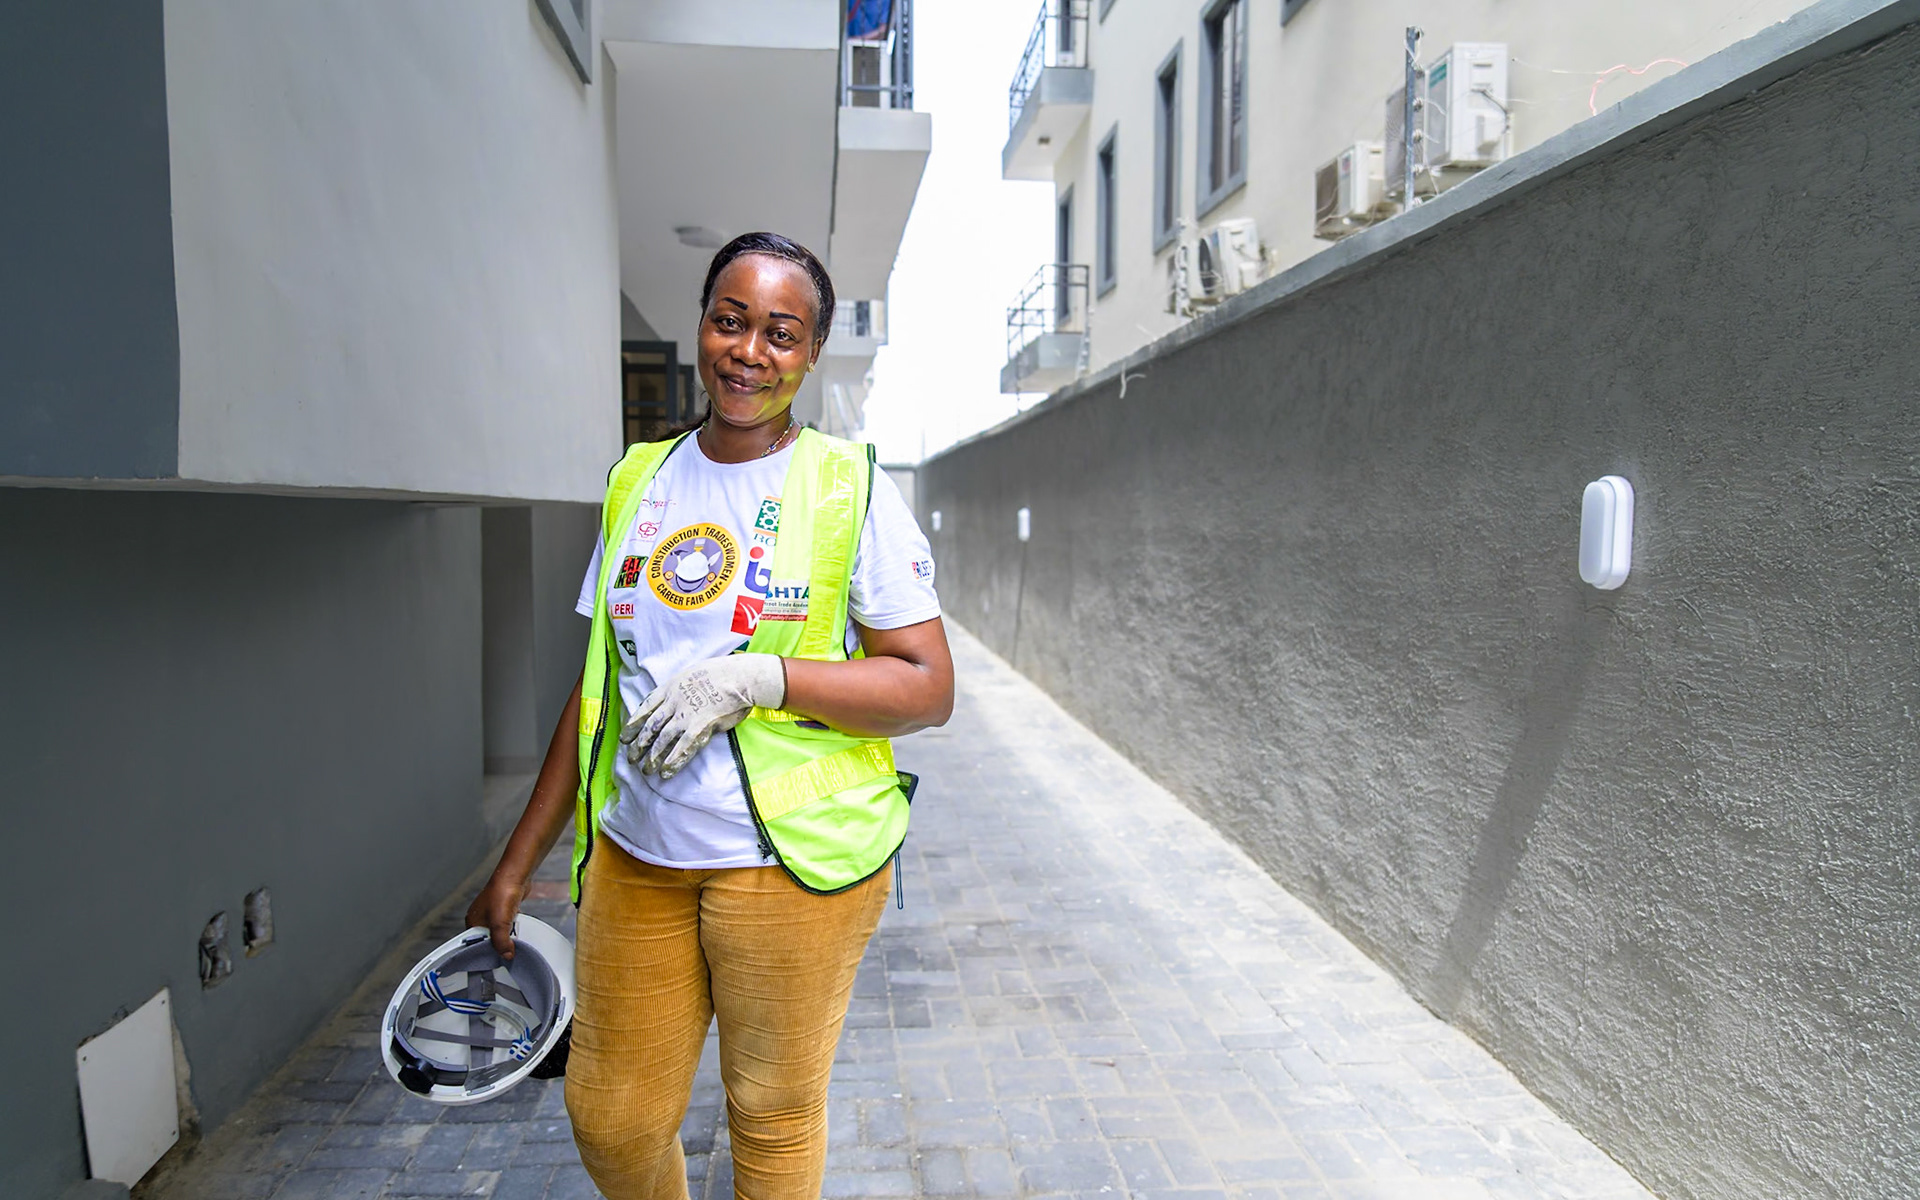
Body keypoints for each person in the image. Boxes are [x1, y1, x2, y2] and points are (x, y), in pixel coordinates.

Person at [466, 232, 953, 1199]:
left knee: (769, 1118)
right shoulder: (636, 481)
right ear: (702, 326)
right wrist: (517, 863)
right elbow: (597, 683)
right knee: (611, 1118)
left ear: (810, 355)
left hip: (789, 866)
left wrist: (763, 679)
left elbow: (926, 687)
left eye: (782, 333)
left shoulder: (848, 487)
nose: (750, 351)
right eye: (731, 322)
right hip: (639, 858)